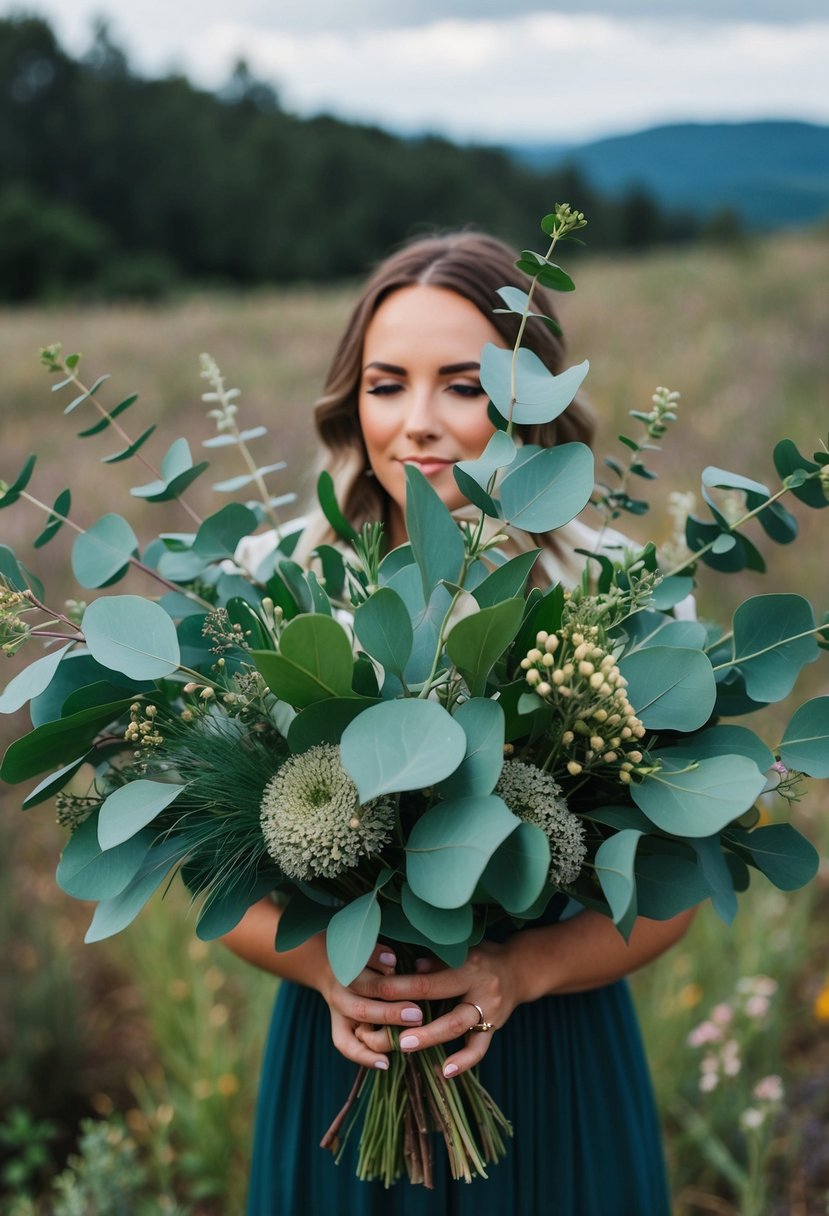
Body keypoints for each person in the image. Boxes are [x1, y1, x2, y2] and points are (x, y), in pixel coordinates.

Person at [223, 232, 692, 1215]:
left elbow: (675, 884)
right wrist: (324, 969)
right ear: (353, 398)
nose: (418, 425)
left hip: (550, 1056)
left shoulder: (620, 596)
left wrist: (521, 970)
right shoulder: (268, 588)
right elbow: (211, 872)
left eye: (466, 387)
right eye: (388, 384)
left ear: (534, 400)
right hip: (343, 1063)